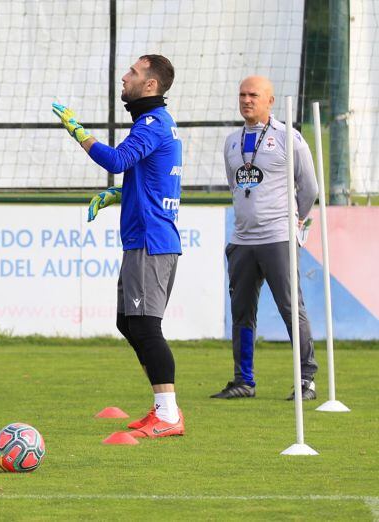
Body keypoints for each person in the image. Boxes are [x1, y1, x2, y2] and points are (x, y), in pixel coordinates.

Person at [52, 55, 185, 438]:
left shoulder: (152, 124)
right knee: (127, 322)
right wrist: (118, 194)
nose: (124, 77)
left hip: (151, 242)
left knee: (145, 325)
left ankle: (169, 414)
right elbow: (153, 180)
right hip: (146, 239)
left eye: (133, 72)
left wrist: (77, 130)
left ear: (149, 85)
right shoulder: (157, 124)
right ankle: (162, 407)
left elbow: (117, 158)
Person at [211, 75, 319, 401]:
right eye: (242, 94)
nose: (246, 100)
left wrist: (293, 220)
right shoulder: (232, 141)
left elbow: (310, 187)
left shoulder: (290, 138)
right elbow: (236, 185)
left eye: (253, 95)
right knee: (242, 311)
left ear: (270, 100)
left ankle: (306, 380)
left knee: (290, 308)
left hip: (277, 237)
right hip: (242, 240)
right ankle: (243, 381)